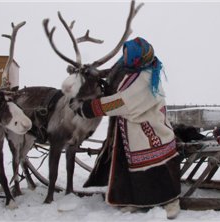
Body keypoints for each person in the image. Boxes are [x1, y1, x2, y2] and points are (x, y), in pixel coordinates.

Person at [70, 37, 181, 219]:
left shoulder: (145, 79)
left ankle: (170, 200)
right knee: (127, 168)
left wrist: (87, 109)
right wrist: (92, 73)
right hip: (127, 131)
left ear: (139, 57)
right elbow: (113, 73)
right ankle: (134, 201)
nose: (126, 57)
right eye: (125, 53)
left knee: (154, 167)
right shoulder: (131, 67)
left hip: (147, 131)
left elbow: (122, 103)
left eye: (130, 55)